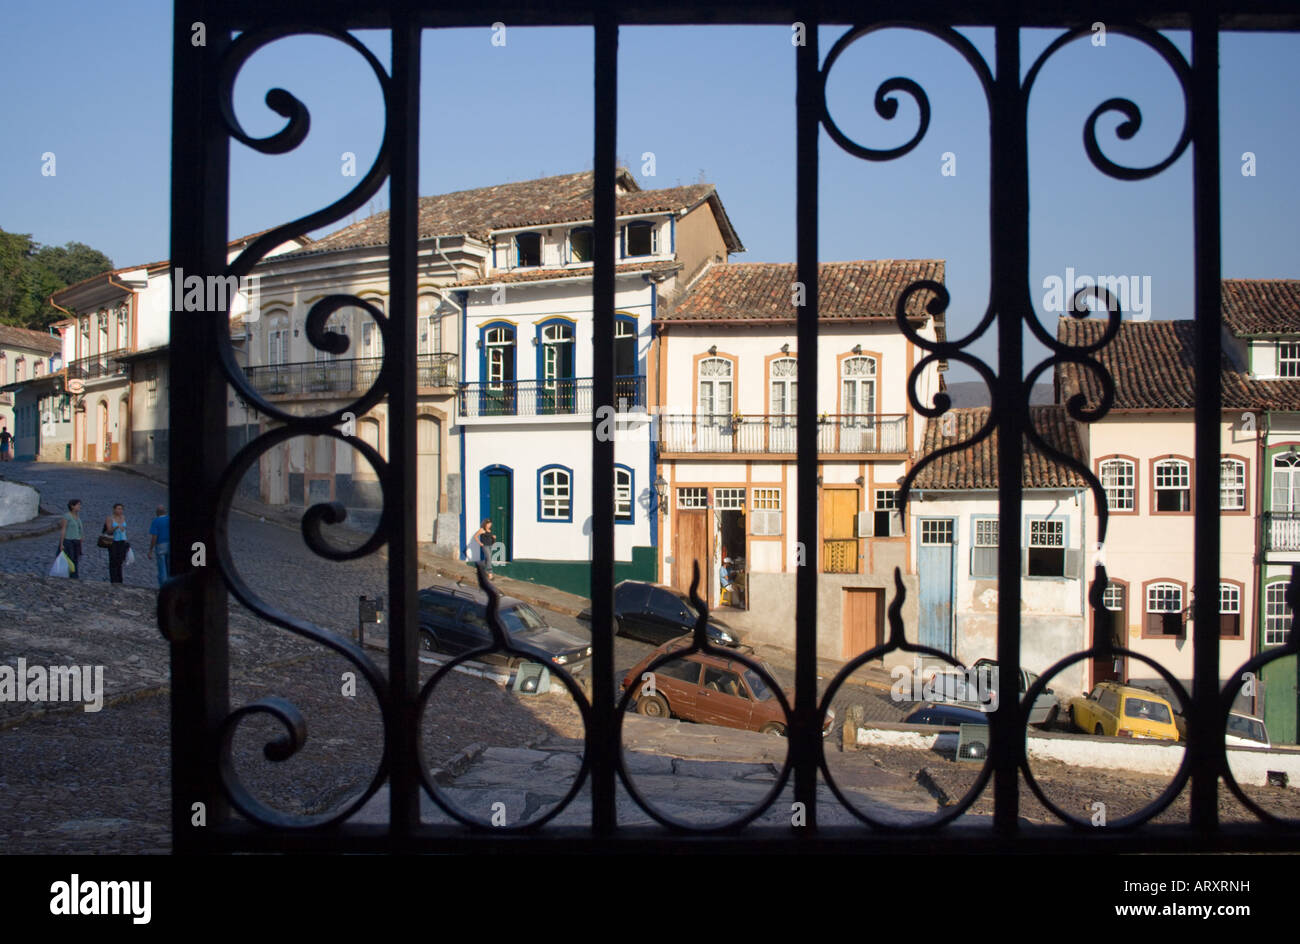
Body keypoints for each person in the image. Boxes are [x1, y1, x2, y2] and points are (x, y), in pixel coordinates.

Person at [56, 499, 84, 579]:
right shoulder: (67, 516)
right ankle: (69, 577)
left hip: (77, 542)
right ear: (72, 506)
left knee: (75, 560)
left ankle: (75, 577)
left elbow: (79, 528)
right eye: (78, 505)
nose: (80, 506)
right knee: (70, 560)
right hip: (69, 541)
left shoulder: (77, 517)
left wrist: (81, 537)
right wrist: (61, 544)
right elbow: (63, 530)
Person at [102, 503, 129, 584]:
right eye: (118, 509)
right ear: (114, 509)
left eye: (121, 509)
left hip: (122, 541)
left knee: (120, 561)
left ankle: (119, 580)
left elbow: (124, 530)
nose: (120, 511)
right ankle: (113, 580)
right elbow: (108, 531)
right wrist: (116, 527)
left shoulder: (123, 517)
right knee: (113, 560)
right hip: (113, 541)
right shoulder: (110, 518)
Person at [146, 505, 170, 585]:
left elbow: (154, 537)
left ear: (157, 513)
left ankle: (163, 587)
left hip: (160, 545)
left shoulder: (156, 521)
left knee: (162, 569)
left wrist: (150, 550)